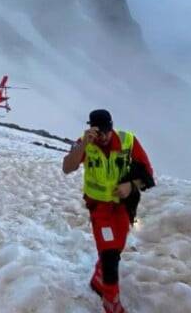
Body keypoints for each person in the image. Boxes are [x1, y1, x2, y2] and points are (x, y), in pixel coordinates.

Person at [62, 109, 154, 313]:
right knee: (110, 253)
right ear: (91, 128)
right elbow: (67, 167)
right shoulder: (85, 142)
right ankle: (111, 302)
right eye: (98, 131)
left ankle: (98, 278)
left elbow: (148, 173)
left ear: (112, 128)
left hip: (122, 206)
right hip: (99, 208)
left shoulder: (128, 141)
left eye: (106, 131)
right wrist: (84, 144)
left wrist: (131, 185)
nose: (103, 136)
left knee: (117, 248)